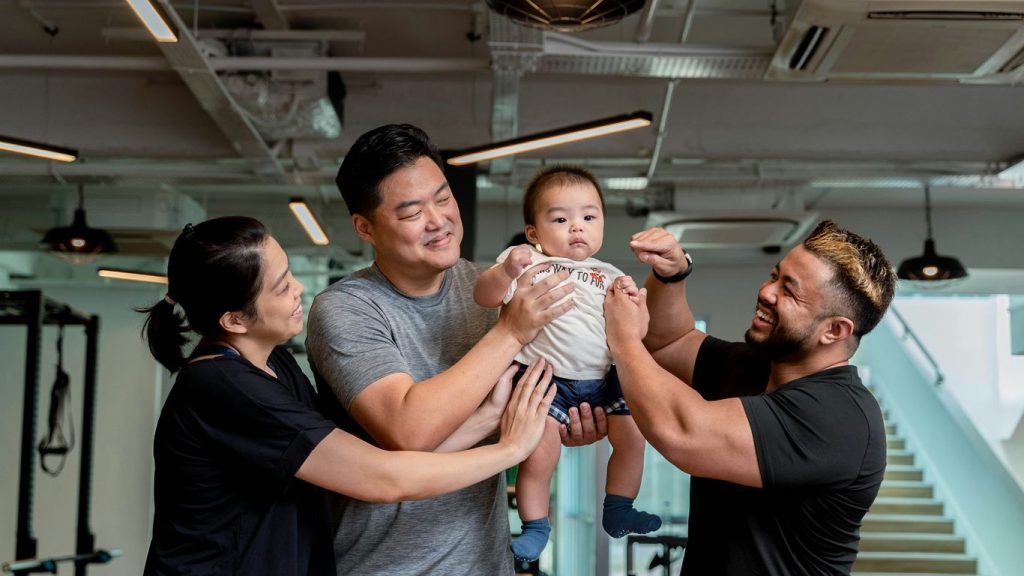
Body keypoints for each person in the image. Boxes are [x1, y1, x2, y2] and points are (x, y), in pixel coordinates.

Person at [138, 216, 556, 576]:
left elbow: (361, 469)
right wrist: (510, 449)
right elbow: (383, 479)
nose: (299, 288)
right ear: (233, 319)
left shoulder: (275, 366)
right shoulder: (225, 387)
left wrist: (489, 416)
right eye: (281, 287)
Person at [305, 124, 606, 575]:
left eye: (443, 198)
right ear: (364, 227)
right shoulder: (345, 310)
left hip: (486, 562)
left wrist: (571, 414)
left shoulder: (494, 284)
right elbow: (407, 431)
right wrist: (510, 333)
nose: (438, 221)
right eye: (411, 212)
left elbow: (544, 388)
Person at [603, 220, 897, 575]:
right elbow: (670, 342)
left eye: (789, 291)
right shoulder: (754, 366)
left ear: (834, 330)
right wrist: (672, 275)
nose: (767, 292)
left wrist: (624, 341)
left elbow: (683, 433)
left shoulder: (840, 417)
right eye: (774, 276)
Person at [474, 165, 661, 562]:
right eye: (560, 219)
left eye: (589, 217)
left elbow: (635, 332)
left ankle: (618, 507)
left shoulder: (610, 274)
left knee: (633, 438)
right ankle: (536, 527)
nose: (577, 227)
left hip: (606, 378)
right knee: (539, 455)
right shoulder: (526, 263)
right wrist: (505, 271)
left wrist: (638, 307)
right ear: (534, 233)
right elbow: (485, 297)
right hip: (546, 380)